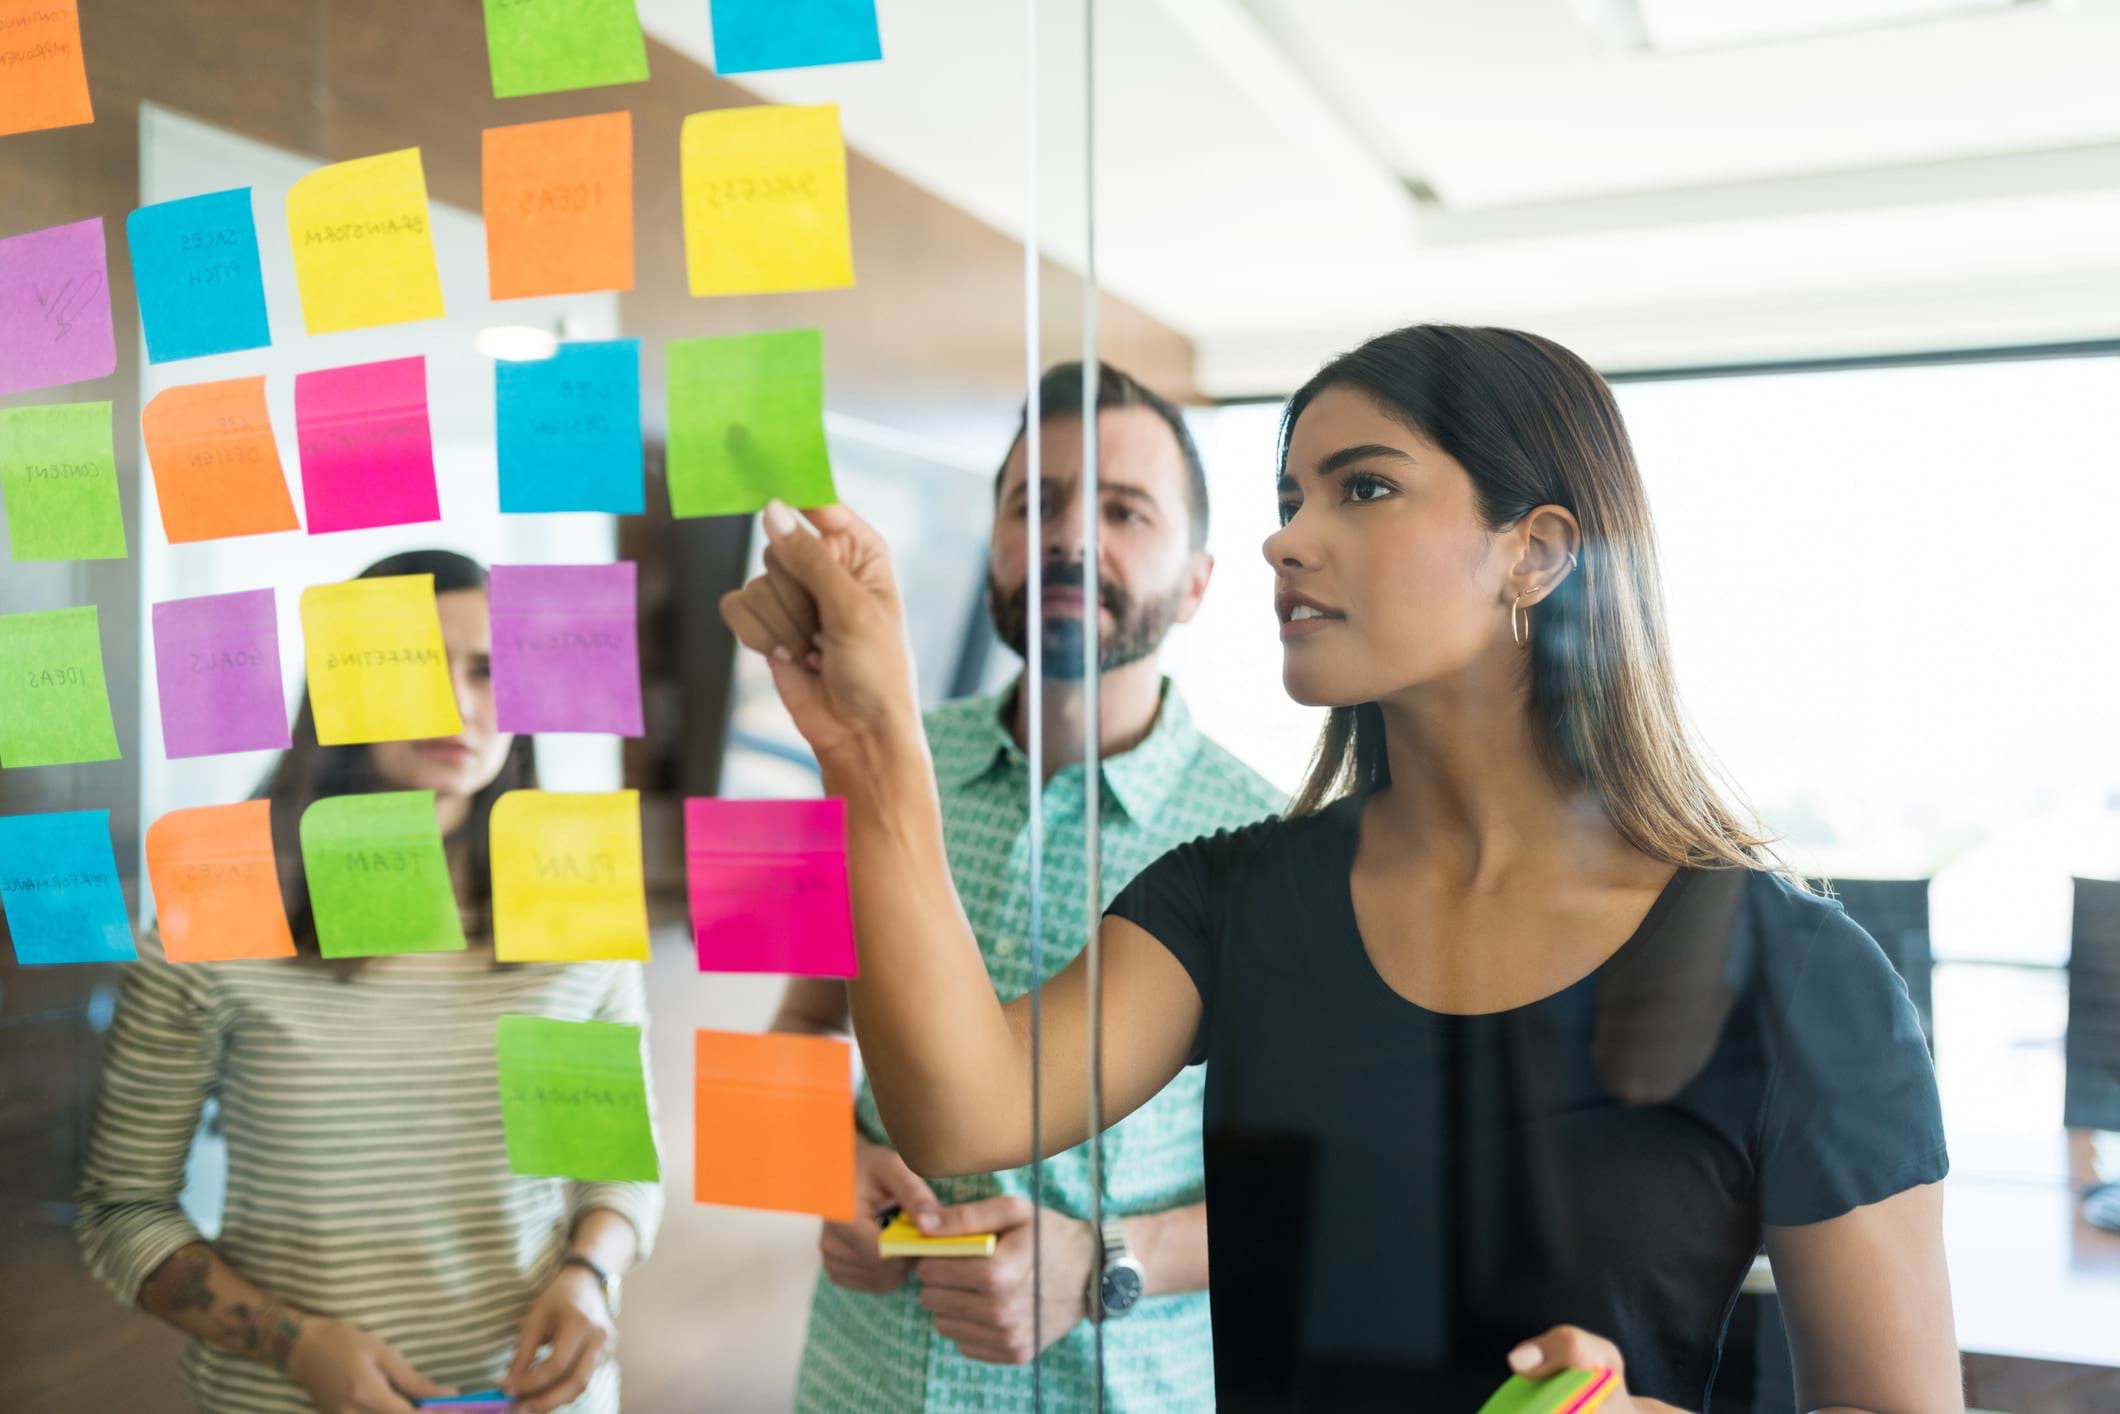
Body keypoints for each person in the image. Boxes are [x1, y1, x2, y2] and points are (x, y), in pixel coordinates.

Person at [720, 326, 1964, 1412]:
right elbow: (947, 1103)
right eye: (1290, 494)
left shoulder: (1801, 977)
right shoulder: (1226, 894)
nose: (1287, 540)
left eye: (1361, 488)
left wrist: (1104, 1258)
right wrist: (871, 751)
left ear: (1532, 554)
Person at [774, 362, 1283, 1411]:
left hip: (1121, 1383)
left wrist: (1103, 1260)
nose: (1068, 537)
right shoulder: (867, 764)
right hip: (863, 1373)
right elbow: (793, 1032)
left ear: (1196, 581)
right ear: (997, 545)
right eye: (1033, 504)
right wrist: (823, 1160)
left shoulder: (1275, 843)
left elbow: (1315, 1196)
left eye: (1123, 510)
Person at [76, 550, 662, 1414]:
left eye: (490, 670)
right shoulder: (216, 917)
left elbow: (616, 1172)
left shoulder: (575, 903)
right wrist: (295, 1342)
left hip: (531, 1393)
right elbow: (122, 1212)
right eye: (413, 662)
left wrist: (588, 1277)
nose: (459, 703)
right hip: (281, 1396)